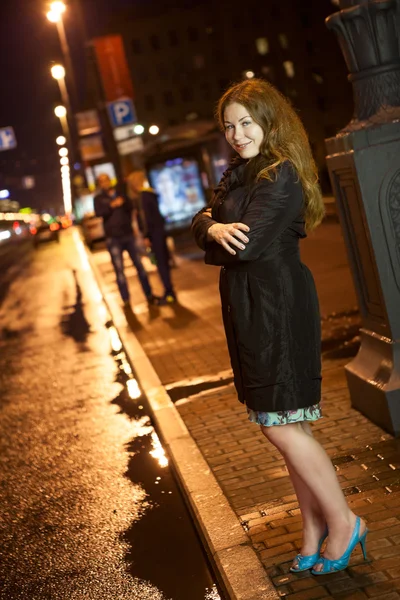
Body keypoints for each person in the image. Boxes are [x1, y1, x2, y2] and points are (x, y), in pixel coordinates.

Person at [192, 78, 368, 575]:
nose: (237, 133)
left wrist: (216, 228)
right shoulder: (240, 175)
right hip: (251, 307)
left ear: (270, 120)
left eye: (246, 122)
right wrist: (212, 226)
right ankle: (314, 529)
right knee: (291, 425)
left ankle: (344, 521)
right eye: (229, 126)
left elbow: (241, 246)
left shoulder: (280, 174)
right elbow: (202, 222)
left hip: (277, 308)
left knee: (281, 428)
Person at [93, 173, 159, 307]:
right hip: (113, 238)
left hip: (128, 235)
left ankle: (149, 295)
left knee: (140, 267)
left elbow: (131, 208)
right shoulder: (99, 198)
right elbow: (99, 213)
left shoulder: (120, 193)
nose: (105, 183)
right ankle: (126, 300)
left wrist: (131, 222)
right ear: (99, 184)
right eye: (102, 181)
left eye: (106, 180)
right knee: (119, 270)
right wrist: (112, 205)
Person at [126, 170, 177, 304]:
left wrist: (146, 236)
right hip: (160, 232)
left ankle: (169, 293)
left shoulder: (143, 197)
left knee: (160, 263)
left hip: (154, 234)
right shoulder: (150, 193)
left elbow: (146, 218)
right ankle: (169, 291)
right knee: (163, 262)